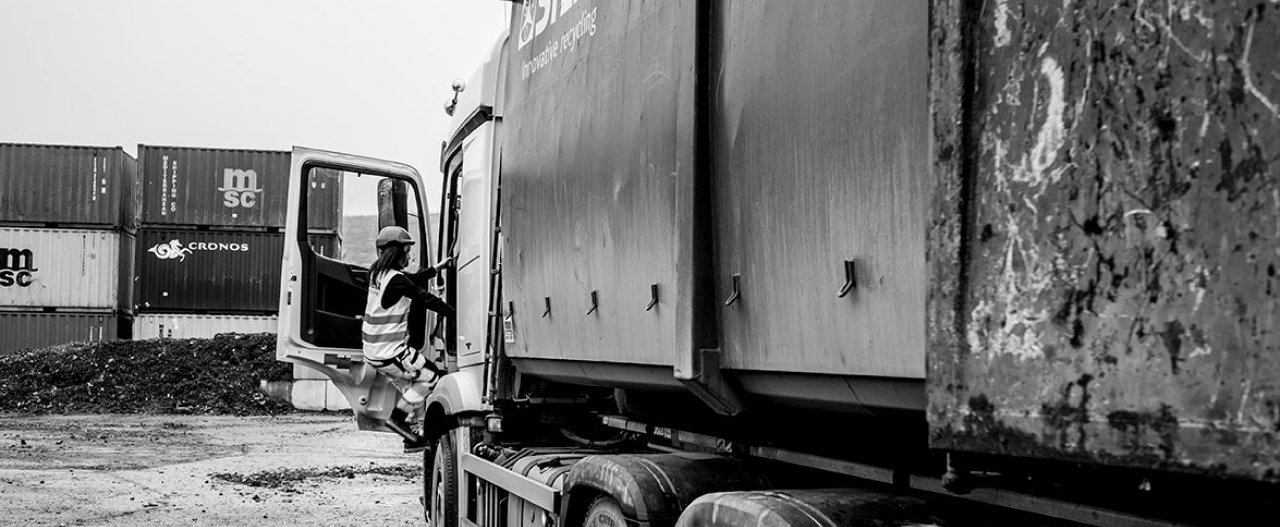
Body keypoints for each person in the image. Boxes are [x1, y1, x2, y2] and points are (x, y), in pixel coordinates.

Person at [363, 225, 454, 453]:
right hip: (390, 352)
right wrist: (456, 315)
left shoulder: (378, 274)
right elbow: (425, 298)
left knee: (412, 390)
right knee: (430, 378)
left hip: (374, 351)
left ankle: (412, 438)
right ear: (395, 252)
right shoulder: (397, 280)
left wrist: (435, 269)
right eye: (406, 250)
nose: (409, 255)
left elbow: (411, 280)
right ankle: (398, 421)